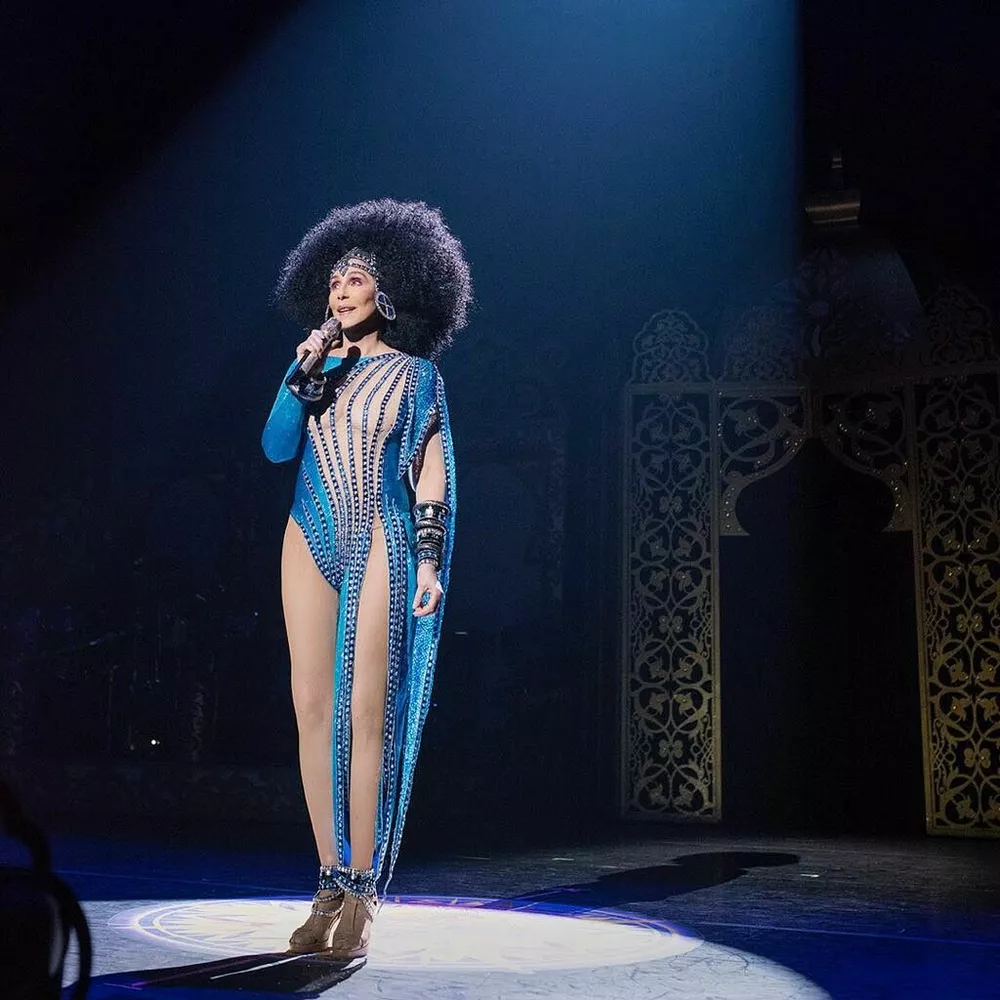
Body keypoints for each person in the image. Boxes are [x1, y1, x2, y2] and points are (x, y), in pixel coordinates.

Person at [262, 199, 471, 960]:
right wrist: (300, 371)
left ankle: (362, 887)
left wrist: (429, 560)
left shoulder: (418, 376)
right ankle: (326, 878)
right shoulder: (314, 372)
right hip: (309, 529)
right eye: (333, 281)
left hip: (381, 531)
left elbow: (432, 474)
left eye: (355, 279)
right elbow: (275, 447)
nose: (341, 290)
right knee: (311, 706)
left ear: (389, 292)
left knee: (367, 711)